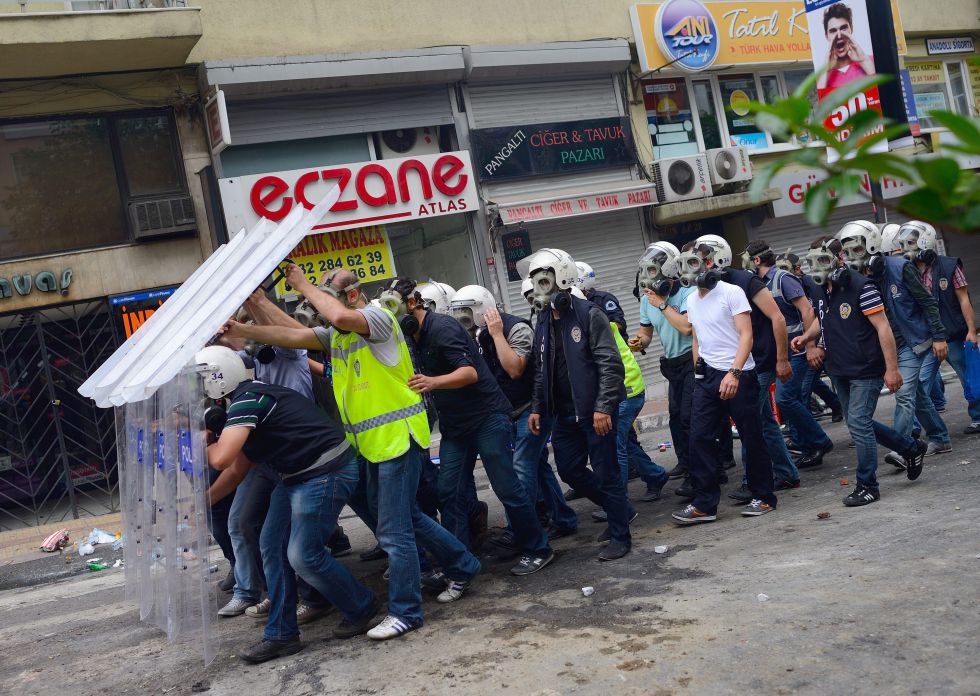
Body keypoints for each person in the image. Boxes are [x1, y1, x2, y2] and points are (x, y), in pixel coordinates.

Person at [223, 267, 481, 641]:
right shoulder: (340, 337)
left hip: (397, 438)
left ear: (354, 295)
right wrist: (244, 330)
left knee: (393, 532)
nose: (319, 309)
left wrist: (304, 285)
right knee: (407, 517)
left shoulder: (376, 318)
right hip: (372, 445)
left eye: (325, 299)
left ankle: (406, 612)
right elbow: (292, 335)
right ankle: (463, 564)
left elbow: (339, 316)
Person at [200, 346, 379, 663]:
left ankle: (361, 604)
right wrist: (203, 503)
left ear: (216, 378)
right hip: (297, 474)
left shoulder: (247, 400)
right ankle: (282, 634)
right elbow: (238, 468)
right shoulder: (241, 403)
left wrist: (194, 442)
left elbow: (222, 457)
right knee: (272, 546)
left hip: (326, 470)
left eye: (200, 379)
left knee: (302, 555)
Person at [396, 277, 555, 577]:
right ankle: (458, 563)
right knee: (449, 492)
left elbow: (468, 373)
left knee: (507, 488)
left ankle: (538, 548)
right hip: (456, 426)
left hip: (486, 418)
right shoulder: (409, 338)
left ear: (412, 304)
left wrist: (432, 382)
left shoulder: (442, 327)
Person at [793, 236, 926, 506]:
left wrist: (892, 369)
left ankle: (868, 485)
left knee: (858, 424)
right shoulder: (819, 290)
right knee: (858, 422)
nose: (816, 267)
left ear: (839, 259)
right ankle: (910, 448)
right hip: (838, 368)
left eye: (822, 260)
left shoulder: (862, 287)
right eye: (812, 262)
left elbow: (883, 328)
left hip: (866, 369)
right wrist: (807, 337)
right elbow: (823, 319)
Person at [526, 249, 633, 561]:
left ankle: (620, 535)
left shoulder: (589, 314)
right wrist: (536, 406)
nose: (540, 290)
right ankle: (621, 511)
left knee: (607, 472)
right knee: (570, 469)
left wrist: (603, 406)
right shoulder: (543, 319)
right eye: (536, 284)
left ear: (562, 280)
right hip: (562, 414)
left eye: (545, 282)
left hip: (595, 411)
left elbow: (610, 365)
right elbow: (541, 367)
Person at [450, 285, 579, 542]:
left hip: (534, 407)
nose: (462, 317)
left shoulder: (516, 328)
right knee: (537, 466)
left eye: (466, 311)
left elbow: (514, 370)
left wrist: (497, 335)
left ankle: (518, 531)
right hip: (507, 411)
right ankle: (564, 519)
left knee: (520, 467)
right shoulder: (475, 335)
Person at [676, 235, 800, 499]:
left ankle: (755, 484)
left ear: (713, 259)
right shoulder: (695, 297)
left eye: (700, 259)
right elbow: (696, 334)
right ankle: (784, 472)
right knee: (762, 424)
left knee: (751, 428)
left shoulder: (743, 283)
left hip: (755, 363)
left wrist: (781, 359)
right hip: (717, 371)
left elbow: (776, 317)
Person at [671, 262, 777, 524]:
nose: (690, 273)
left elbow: (746, 335)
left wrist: (735, 372)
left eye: (694, 265)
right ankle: (705, 504)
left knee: (751, 437)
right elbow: (697, 340)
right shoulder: (692, 300)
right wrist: (698, 374)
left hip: (739, 374)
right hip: (707, 377)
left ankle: (764, 496)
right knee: (699, 438)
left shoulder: (732, 292)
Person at [837, 221, 951, 464]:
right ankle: (940, 437)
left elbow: (928, 303)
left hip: (912, 342)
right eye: (847, 253)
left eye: (857, 250)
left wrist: (939, 337)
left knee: (904, 392)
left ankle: (903, 448)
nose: (851, 257)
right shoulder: (856, 279)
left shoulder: (901, 267)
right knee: (918, 395)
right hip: (886, 348)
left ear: (872, 246)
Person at [743, 240, 834, 470]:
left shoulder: (783, 279)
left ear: (756, 260)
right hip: (775, 353)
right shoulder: (757, 284)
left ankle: (819, 441)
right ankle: (807, 444)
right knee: (771, 403)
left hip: (797, 350)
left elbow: (807, 310)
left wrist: (811, 345)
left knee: (786, 399)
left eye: (746, 257)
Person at [896, 221, 980, 435]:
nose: (907, 248)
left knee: (969, 377)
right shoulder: (906, 270)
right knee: (920, 382)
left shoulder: (949, 266)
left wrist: (972, 331)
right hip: (926, 339)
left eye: (912, 243)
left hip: (953, 335)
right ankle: (915, 429)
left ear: (925, 242)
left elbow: (964, 300)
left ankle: (978, 417)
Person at [630, 242, 695, 488]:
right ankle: (686, 462)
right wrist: (638, 342)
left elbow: (687, 328)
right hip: (672, 363)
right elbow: (645, 333)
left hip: (694, 359)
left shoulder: (687, 292)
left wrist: (661, 303)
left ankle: (701, 470)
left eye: (654, 271)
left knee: (690, 416)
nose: (649, 277)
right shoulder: (648, 299)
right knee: (676, 417)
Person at [775, 252, 843, 426]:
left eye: (784, 269)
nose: (781, 273)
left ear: (797, 269)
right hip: (804, 343)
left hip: (820, 343)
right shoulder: (783, 285)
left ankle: (805, 433)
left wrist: (813, 345)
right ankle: (836, 406)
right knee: (812, 382)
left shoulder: (813, 285)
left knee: (804, 389)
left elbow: (820, 315)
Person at [816, 2, 875, 91]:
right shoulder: (821, 77)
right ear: (826, 36)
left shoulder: (872, 60)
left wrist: (864, 60)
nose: (839, 36)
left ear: (851, 29)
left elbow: (884, 93)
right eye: (833, 31)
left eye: (843, 28)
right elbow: (822, 102)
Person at [576, 261, 628, 340]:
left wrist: (597, 326)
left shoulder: (603, 299)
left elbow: (620, 325)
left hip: (613, 350)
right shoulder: (570, 303)